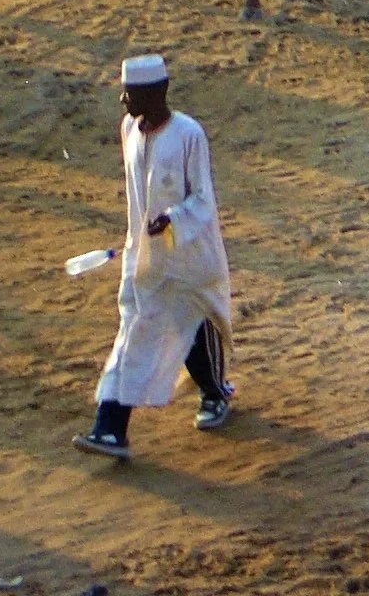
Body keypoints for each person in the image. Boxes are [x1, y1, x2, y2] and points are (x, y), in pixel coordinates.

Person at [72, 55, 235, 459]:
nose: (124, 99)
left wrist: (172, 220)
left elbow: (203, 198)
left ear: (157, 92)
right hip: (144, 257)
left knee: (193, 320)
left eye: (131, 92)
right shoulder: (129, 128)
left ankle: (214, 392)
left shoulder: (188, 134)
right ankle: (109, 429)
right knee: (137, 331)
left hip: (190, 254)